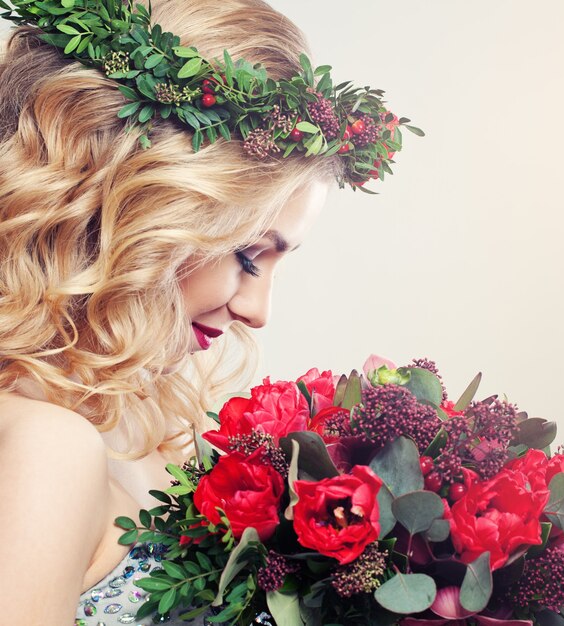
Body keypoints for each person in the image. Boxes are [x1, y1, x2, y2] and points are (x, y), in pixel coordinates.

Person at [0, 0, 408, 623]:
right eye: (248, 256)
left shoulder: (144, 425)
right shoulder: (46, 446)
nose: (258, 310)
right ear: (134, 207)